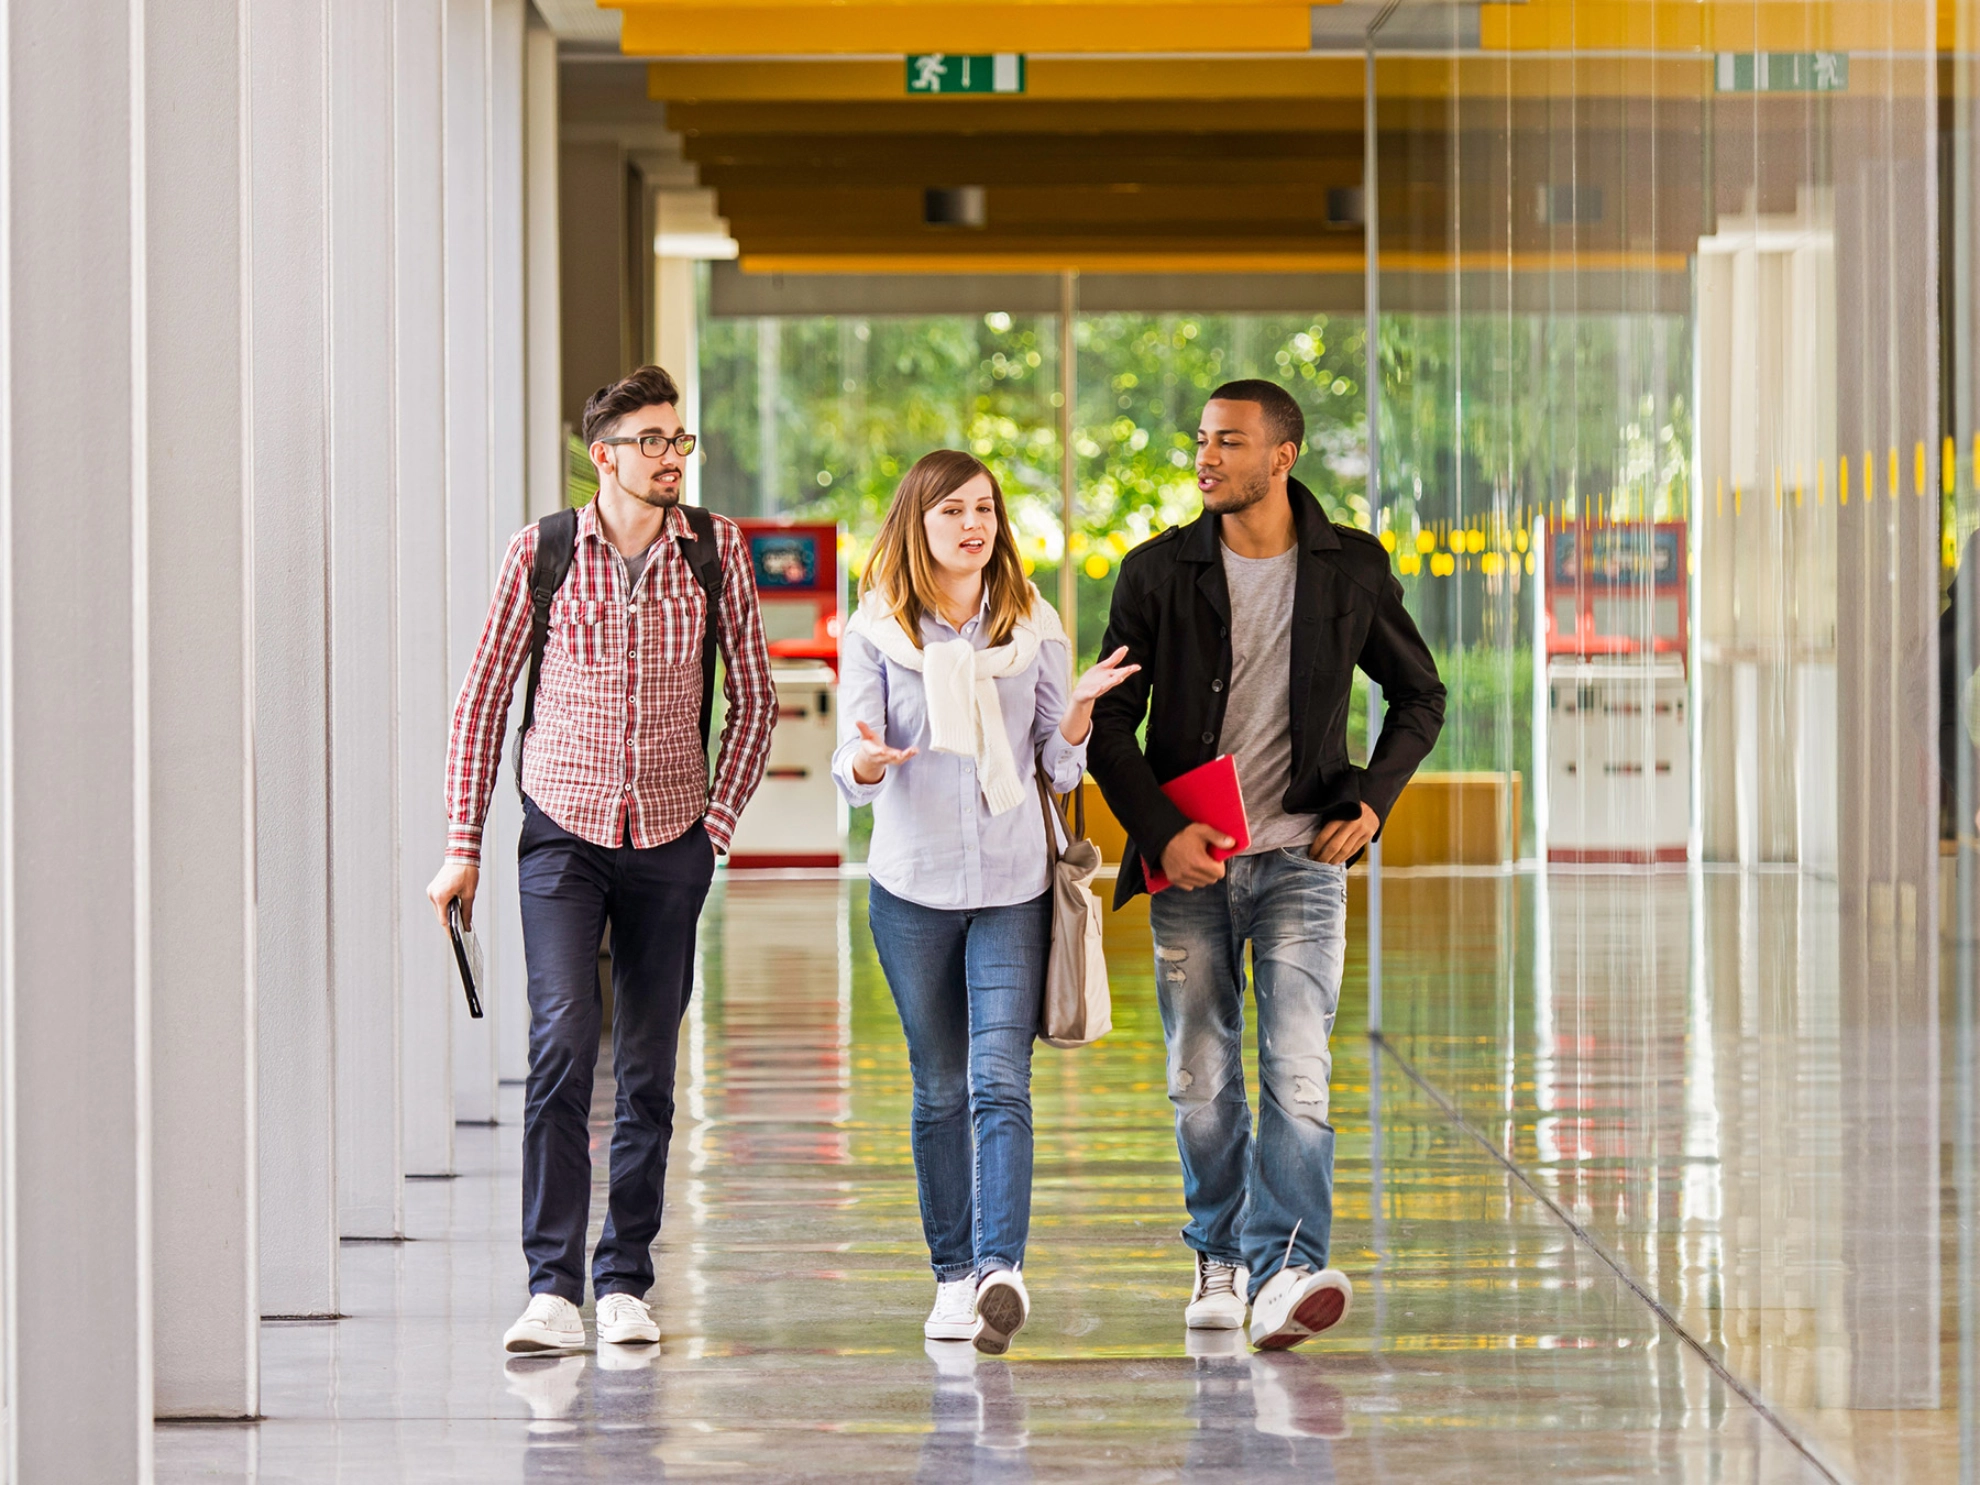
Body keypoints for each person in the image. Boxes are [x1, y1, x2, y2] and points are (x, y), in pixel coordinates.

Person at [1087, 379, 1444, 1350]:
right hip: (1189, 867)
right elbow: (1108, 722)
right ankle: (1217, 1253)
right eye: (1201, 439)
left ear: (1281, 456)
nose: (1206, 457)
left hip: (1300, 863)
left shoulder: (1351, 571)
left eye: (1229, 442)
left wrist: (1372, 803)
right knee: (1200, 1072)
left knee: (1299, 1068)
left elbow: (1421, 698)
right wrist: (1161, 830)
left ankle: (1286, 1269)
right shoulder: (1156, 573)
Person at [427, 365, 776, 1354]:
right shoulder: (539, 552)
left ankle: (623, 1279)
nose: (673, 456)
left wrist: (714, 828)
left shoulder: (716, 553)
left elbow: (754, 699)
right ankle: (550, 1287)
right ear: (605, 454)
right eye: (655, 440)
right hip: (562, 834)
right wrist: (463, 845)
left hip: (671, 837)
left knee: (651, 1066)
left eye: (681, 440)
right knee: (563, 1045)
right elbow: (482, 700)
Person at [834, 449, 1138, 1356]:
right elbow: (854, 764)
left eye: (986, 509)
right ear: (916, 524)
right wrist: (865, 760)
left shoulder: (1032, 621)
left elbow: (1057, 762)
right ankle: (952, 1274)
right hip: (912, 884)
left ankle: (1002, 1268)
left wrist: (1077, 709)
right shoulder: (877, 631)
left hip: (1014, 883)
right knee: (940, 1087)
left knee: (1002, 1079)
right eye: (953, 511)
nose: (974, 525)